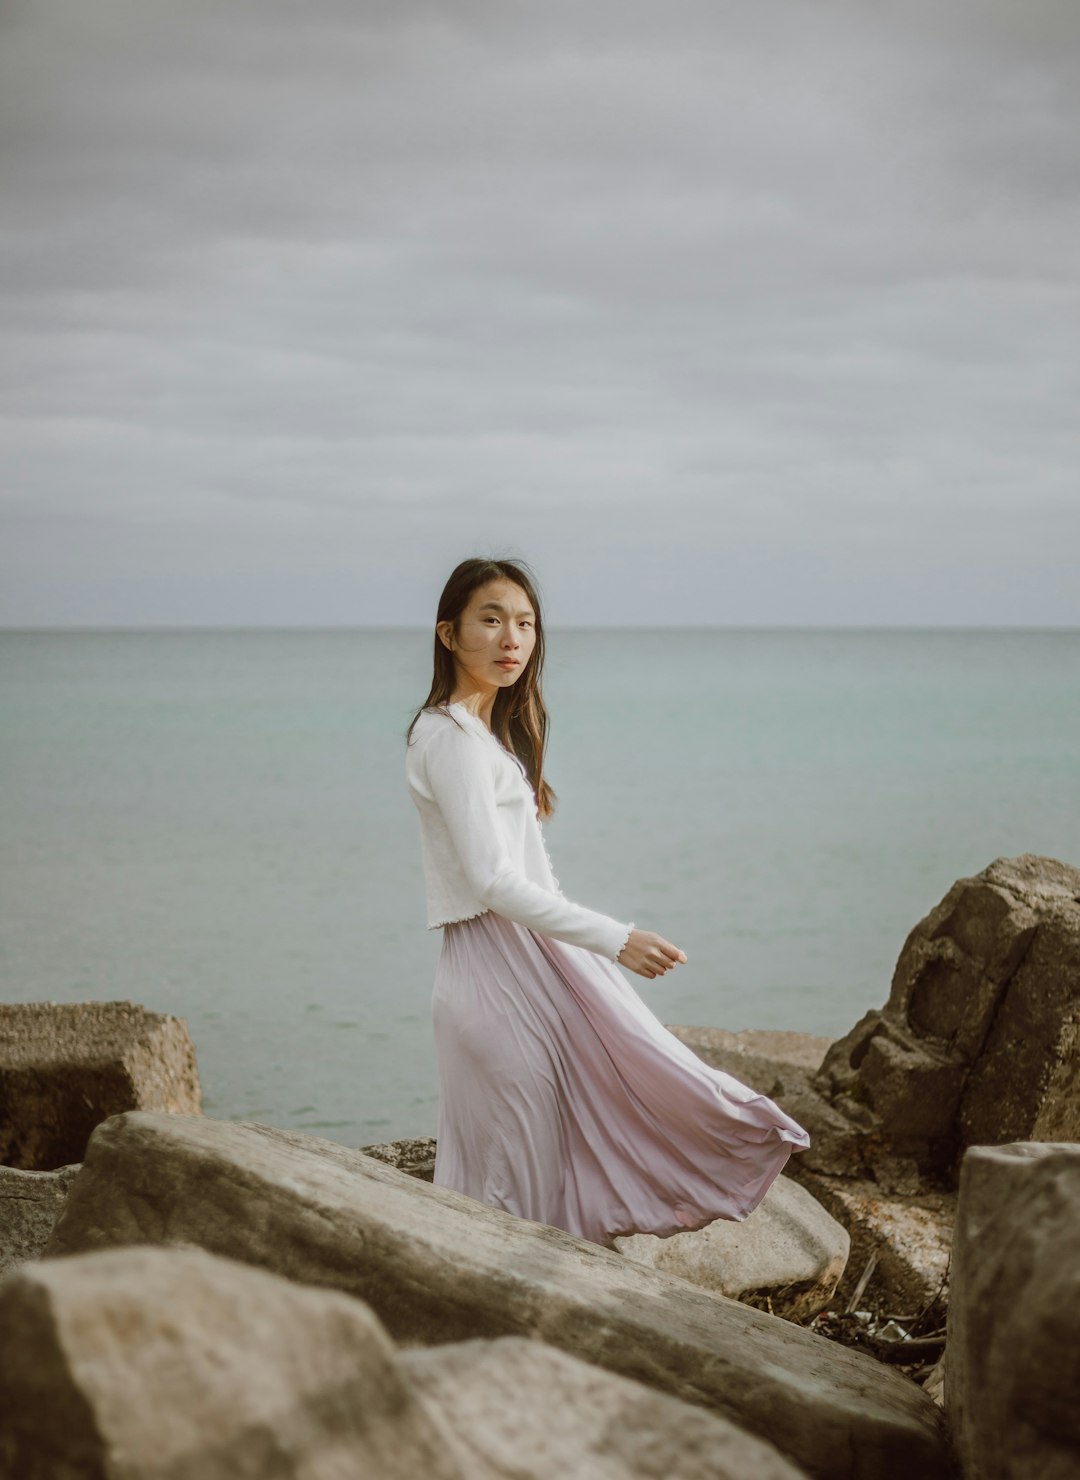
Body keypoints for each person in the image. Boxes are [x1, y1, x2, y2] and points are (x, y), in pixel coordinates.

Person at [405, 555, 810, 1248]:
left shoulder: (485, 737)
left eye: (526, 623)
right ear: (449, 634)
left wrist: (596, 971)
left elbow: (537, 877)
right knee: (511, 1196)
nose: (512, 638)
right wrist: (614, 939)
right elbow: (492, 882)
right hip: (493, 982)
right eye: (492, 620)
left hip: (520, 972)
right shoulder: (449, 739)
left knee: (531, 1184)